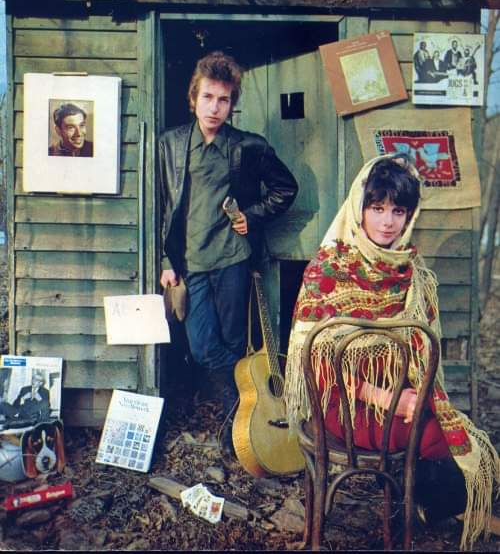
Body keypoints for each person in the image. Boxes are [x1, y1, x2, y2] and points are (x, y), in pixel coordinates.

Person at [284, 155, 499, 550]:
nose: (387, 222)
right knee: (454, 447)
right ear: (358, 209)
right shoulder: (328, 269)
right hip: (342, 406)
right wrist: (387, 397)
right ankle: (429, 504)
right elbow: (312, 362)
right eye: (377, 208)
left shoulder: (412, 275)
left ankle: (426, 504)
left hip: (400, 399)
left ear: (410, 215)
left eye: (398, 211)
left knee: (465, 444)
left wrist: (412, 395)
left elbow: (423, 352)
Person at [158, 51, 298, 456]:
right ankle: (242, 406)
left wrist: (252, 217)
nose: (214, 107)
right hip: (191, 263)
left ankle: (235, 427)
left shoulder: (248, 147)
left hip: (234, 259)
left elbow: (285, 189)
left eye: (223, 100)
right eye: (207, 98)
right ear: (193, 99)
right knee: (202, 346)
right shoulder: (170, 145)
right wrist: (165, 261)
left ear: (232, 103)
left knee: (235, 342)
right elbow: (159, 207)